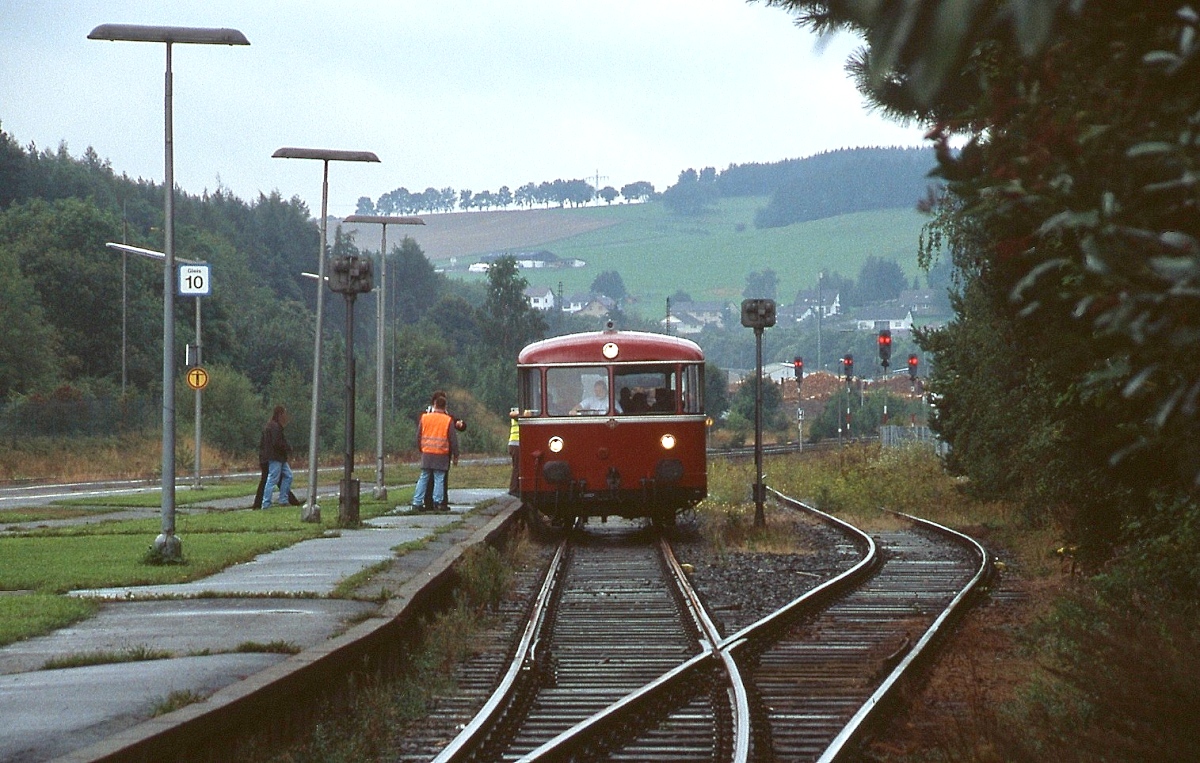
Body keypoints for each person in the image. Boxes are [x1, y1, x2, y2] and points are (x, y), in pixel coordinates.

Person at [412, 391, 459, 512]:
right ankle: (438, 503)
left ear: (434, 405)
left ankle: (417, 502)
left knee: (423, 478)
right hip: (441, 454)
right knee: (439, 478)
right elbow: (453, 439)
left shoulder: (425, 418)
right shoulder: (447, 420)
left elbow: (418, 436)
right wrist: (456, 455)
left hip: (427, 453)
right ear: (445, 406)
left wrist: (421, 449)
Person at [259, 405, 295, 509]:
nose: (285, 416)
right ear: (280, 414)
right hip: (275, 457)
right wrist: (287, 447)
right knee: (272, 479)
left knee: (288, 476)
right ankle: (266, 504)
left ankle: (283, 499)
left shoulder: (271, 426)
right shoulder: (275, 427)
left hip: (279, 458)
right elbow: (277, 442)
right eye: (284, 413)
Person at [507, 407, 520, 496]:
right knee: (517, 467)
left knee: (518, 467)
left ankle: (516, 488)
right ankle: (513, 489)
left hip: (515, 444)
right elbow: (513, 414)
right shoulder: (516, 412)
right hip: (516, 444)